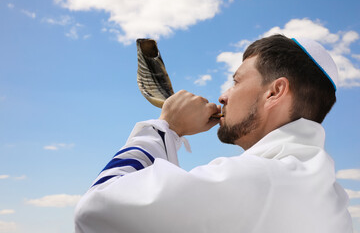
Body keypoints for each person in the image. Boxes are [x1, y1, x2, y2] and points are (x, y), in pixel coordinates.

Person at [74, 34, 353, 233]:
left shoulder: (258, 180)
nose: (223, 96)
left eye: (236, 81)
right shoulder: (334, 200)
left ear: (274, 92)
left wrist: (166, 128)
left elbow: (95, 210)